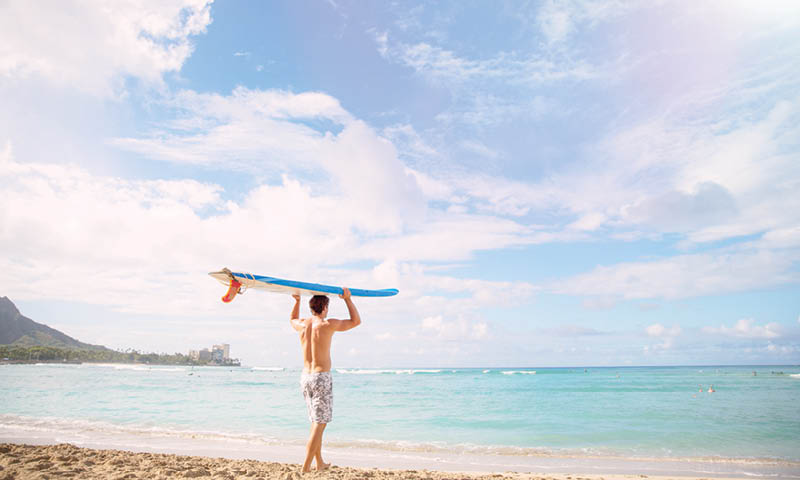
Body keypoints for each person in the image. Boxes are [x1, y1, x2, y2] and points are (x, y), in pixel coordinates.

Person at [290, 288, 361, 473]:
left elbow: (291, 320)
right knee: (319, 423)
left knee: (316, 421)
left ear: (311, 307)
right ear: (325, 307)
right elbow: (356, 321)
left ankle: (319, 462)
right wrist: (347, 299)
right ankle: (305, 468)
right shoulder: (327, 324)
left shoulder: (303, 324)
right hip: (321, 377)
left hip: (305, 377)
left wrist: (296, 302)